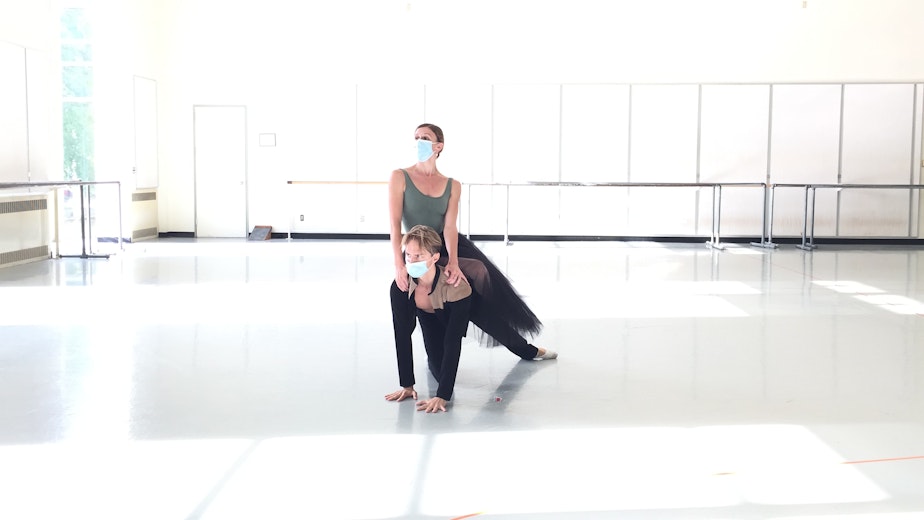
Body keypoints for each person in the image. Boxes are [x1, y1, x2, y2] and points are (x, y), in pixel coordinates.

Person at [388, 123, 557, 361]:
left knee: (478, 277)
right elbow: (395, 225)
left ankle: (484, 324)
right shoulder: (400, 177)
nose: (418, 142)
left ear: (439, 146)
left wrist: (454, 262)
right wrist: (399, 265)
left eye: (424, 138)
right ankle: (517, 346)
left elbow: (449, 227)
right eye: (416, 137)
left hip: (447, 246)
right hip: (420, 250)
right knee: (468, 301)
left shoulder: (452, 185)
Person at [385, 225, 473, 413]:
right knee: (439, 370)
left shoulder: (457, 287)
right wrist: (407, 385)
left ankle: (531, 351)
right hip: (428, 316)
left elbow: (453, 341)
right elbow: (401, 334)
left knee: (504, 333)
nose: (411, 260)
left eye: (419, 256)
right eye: (408, 255)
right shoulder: (399, 287)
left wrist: (442, 395)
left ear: (434, 258)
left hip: (464, 306)